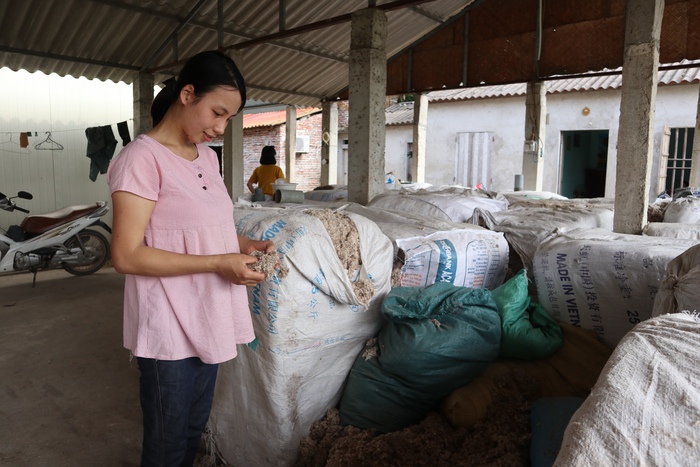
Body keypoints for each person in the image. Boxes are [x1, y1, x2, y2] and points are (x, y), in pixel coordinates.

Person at [107, 50, 274, 467]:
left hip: (209, 314)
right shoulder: (140, 160)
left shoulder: (209, 158)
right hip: (168, 324)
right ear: (187, 94)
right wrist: (220, 263)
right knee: (166, 441)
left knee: (192, 429)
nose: (219, 128)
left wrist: (241, 246)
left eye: (229, 120)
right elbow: (127, 255)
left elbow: (201, 231)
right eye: (216, 112)